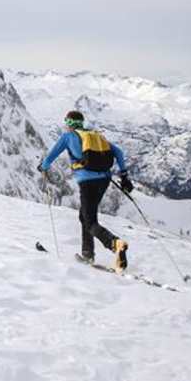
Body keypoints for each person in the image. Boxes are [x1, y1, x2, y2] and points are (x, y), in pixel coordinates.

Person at [37, 110, 134, 271]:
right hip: (104, 180)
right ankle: (88, 254)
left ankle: (115, 244)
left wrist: (43, 167)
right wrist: (124, 175)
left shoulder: (68, 136)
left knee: (90, 221)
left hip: (87, 182)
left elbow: (51, 156)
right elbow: (118, 152)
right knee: (85, 216)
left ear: (68, 124)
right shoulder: (93, 135)